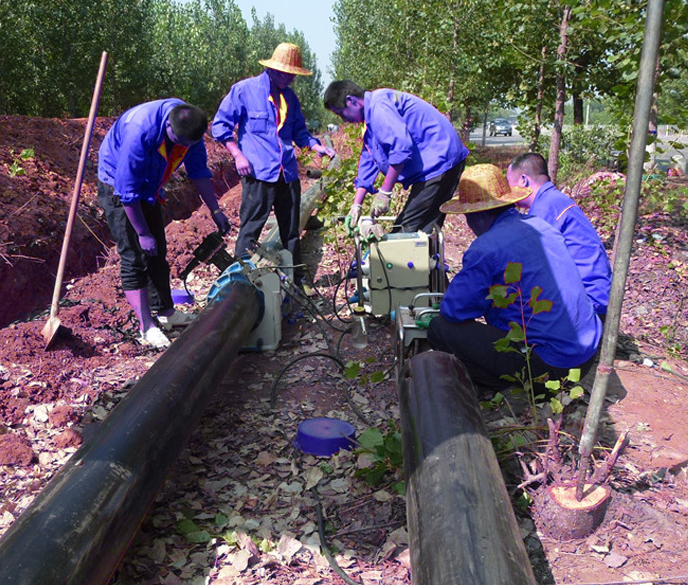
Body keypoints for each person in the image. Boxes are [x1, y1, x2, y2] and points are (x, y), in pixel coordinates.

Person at [427, 164, 603, 392]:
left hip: (551, 365)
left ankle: (500, 386)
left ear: (476, 216)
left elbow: (453, 311)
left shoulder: (485, 249)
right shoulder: (542, 226)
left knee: (440, 328)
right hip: (586, 355)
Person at [97, 99, 230, 349]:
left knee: (157, 252)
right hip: (118, 185)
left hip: (148, 184)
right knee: (134, 256)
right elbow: (127, 192)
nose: (184, 147)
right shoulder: (141, 132)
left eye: (188, 144)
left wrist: (215, 210)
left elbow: (199, 172)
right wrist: (142, 232)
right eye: (180, 143)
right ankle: (146, 327)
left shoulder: (191, 128)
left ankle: (165, 312)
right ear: (168, 125)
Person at [212, 43, 336, 285]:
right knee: (251, 229)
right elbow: (220, 126)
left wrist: (317, 146)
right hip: (258, 173)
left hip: (287, 174)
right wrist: (238, 155)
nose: (289, 79)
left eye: (292, 75)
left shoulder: (290, 97)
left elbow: (300, 132)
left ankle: (296, 279)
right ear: (274, 70)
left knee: (290, 231)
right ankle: (239, 283)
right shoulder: (244, 91)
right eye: (286, 74)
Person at [323, 80, 469, 240]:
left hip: (440, 160)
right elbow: (370, 158)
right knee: (423, 230)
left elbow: (401, 148)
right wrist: (356, 205)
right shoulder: (370, 117)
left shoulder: (378, 107)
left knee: (406, 232)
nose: (344, 120)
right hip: (439, 161)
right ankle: (427, 261)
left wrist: (385, 192)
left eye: (342, 113)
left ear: (352, 101)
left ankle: (410, 261)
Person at [507, 152, 612, 316]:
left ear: (523, 180)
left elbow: (526, 263)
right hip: (593, 295)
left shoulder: (545, 208)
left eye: (509, 184)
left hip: (588, 304)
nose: (508, 192)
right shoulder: (554, 200)